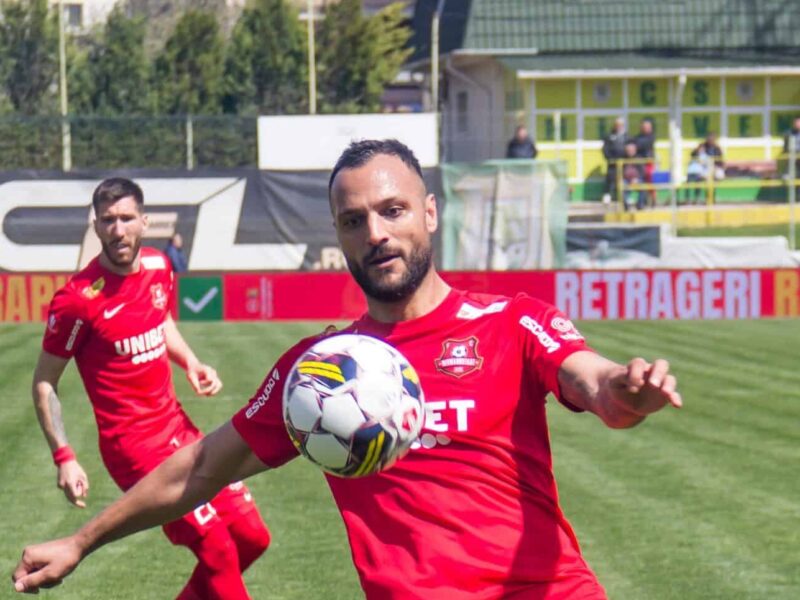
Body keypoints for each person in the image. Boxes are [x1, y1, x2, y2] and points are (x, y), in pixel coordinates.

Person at [14, 142, 682, 599]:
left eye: (392, 210)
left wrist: (630, 388)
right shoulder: (320, 372)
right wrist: (81, 541)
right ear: (340, 237)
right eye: (353, 220)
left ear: (429, 212)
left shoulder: (509, 321)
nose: (376, 232)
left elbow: (596, 387)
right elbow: (200, 468)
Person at [25, 177, 270, 599]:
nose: (118, 230)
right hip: (133, 449)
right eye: (107, 221)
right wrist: (64, 456)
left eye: (125, 218)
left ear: (144, 221)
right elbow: (45, 382)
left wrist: (190, 361)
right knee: (217, 550)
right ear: (96, 226)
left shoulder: (159, 266)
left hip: (179, 430)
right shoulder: (78, 299)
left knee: (252, 537)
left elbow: (160, 320)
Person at [602, 117, 627, 203]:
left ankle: (623, 197)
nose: (619, 127)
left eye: (620, 125)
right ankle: (607, 195)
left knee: (623, 179)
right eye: (617, 125)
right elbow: (605, 149)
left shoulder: (626, 136)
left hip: (624, 163)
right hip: (612, 163)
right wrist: (609, 158)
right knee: (610, 178)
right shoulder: (609, 136)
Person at [633, 119, 656, 207]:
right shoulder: (638, 137)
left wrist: (637, 145)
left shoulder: (651, 137)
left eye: (648, 127)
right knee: (641, 182)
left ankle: (653, 200)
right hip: (639, 163)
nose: (646, 128)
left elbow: (642, 145)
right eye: (644, 127)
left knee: (650, 182)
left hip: (649, 163)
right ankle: (643, 201)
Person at [622, 141, 646, 210]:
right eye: (628, 150)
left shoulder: (638, 158)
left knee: (642, 186)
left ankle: (640, 205)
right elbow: (620, 172)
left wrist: (636, 179)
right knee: (622, 186)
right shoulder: (623, 159)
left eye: (631, 150)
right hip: (626, 179)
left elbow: (642, 172)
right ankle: (626, 206)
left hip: (637, 179)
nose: (630, 152)